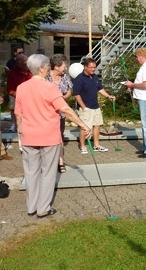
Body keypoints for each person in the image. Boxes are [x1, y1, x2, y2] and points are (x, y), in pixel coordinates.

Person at [14, 54, 92, 218]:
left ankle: (31, 207)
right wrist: (83, 125)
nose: (49, 69)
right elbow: (65, 109)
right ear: (41, 68)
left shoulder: (21, 88)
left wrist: (20, 134)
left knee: (31, 173)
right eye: (48, 66)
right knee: (48, 173)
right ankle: (43, 208)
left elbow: (18, 114)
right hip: (48, 136)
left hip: (28, 136)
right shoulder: (50, 88)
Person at [72, 58, 116, 154]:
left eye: (94, 67)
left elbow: (100, 89)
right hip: (86, 107)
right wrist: (83, 107)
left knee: (97, 125)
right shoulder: (79, 79)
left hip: (96, 106)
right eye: (91, 67)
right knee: (85, 127)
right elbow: (76, 94)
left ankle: (96, 145)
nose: (93, 69)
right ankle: (82, 146)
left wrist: (108, 96)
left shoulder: (95, 77)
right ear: (85, 67)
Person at [124, 47, 146, 158]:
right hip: (144, 97)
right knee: (145, 124)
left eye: (137, 57)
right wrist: (133, 87)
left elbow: (145, 85)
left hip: (145, 98)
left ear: (141, 56)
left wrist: (131, 84)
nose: (136, 59)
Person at [46, 54, 73, 173]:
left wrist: (60, 98)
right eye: (64, 66)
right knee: (48, 138)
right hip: (47, 113)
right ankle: (49, 162)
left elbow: (69, 92)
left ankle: (60, 162)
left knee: (59, 136)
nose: (65, 68)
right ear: (56, 66)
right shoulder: (46, 77)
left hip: (60, 112)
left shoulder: (65, 77)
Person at [6, 53, 32, 132]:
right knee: (14, 108)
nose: (27, 65)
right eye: (25, 63)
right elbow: (10, 90)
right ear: (19, 64)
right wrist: (20, 96)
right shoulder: (13, 73)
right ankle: (15, 124)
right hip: (17, 96)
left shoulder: (32, 71)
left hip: (31, 96)